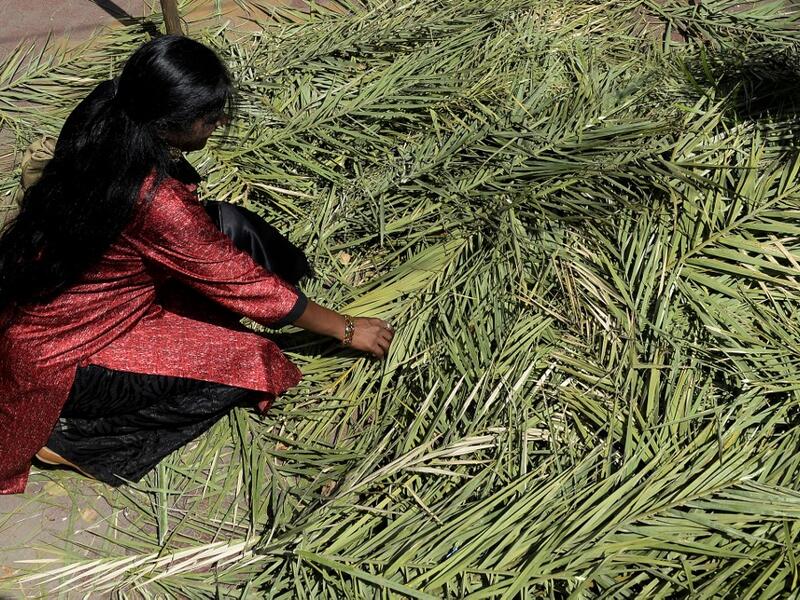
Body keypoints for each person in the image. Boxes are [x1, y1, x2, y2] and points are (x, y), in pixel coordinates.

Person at [0, 35, 394, 494]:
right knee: (255, 360)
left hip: (43, 304)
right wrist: (346, 328)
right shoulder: (156, 203)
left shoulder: (108, 109)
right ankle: (77, 441)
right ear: (167, 124)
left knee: (229, 223)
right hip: (67, 360)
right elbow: (247, 285)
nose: (218, 124)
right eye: (209, 118)